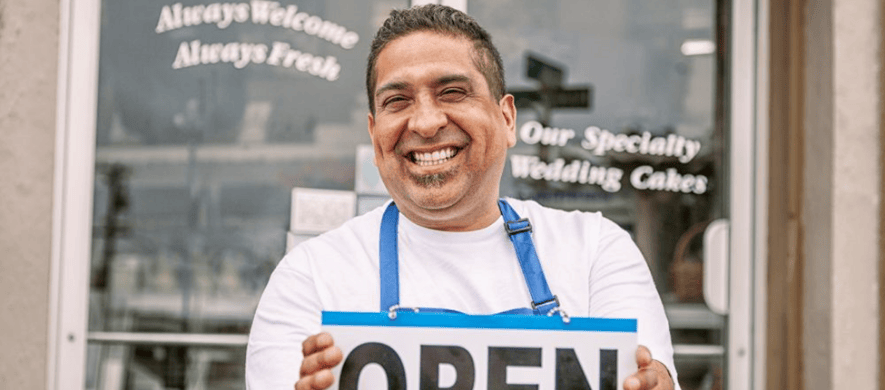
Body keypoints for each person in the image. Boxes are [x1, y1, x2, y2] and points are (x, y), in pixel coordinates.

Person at [247, 4, 678, 390]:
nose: (427, 122)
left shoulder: (595, 252)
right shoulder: (311, 278)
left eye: (452, 92)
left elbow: (645, 374)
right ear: (374, 136)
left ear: (507, 118)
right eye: (397, 100)